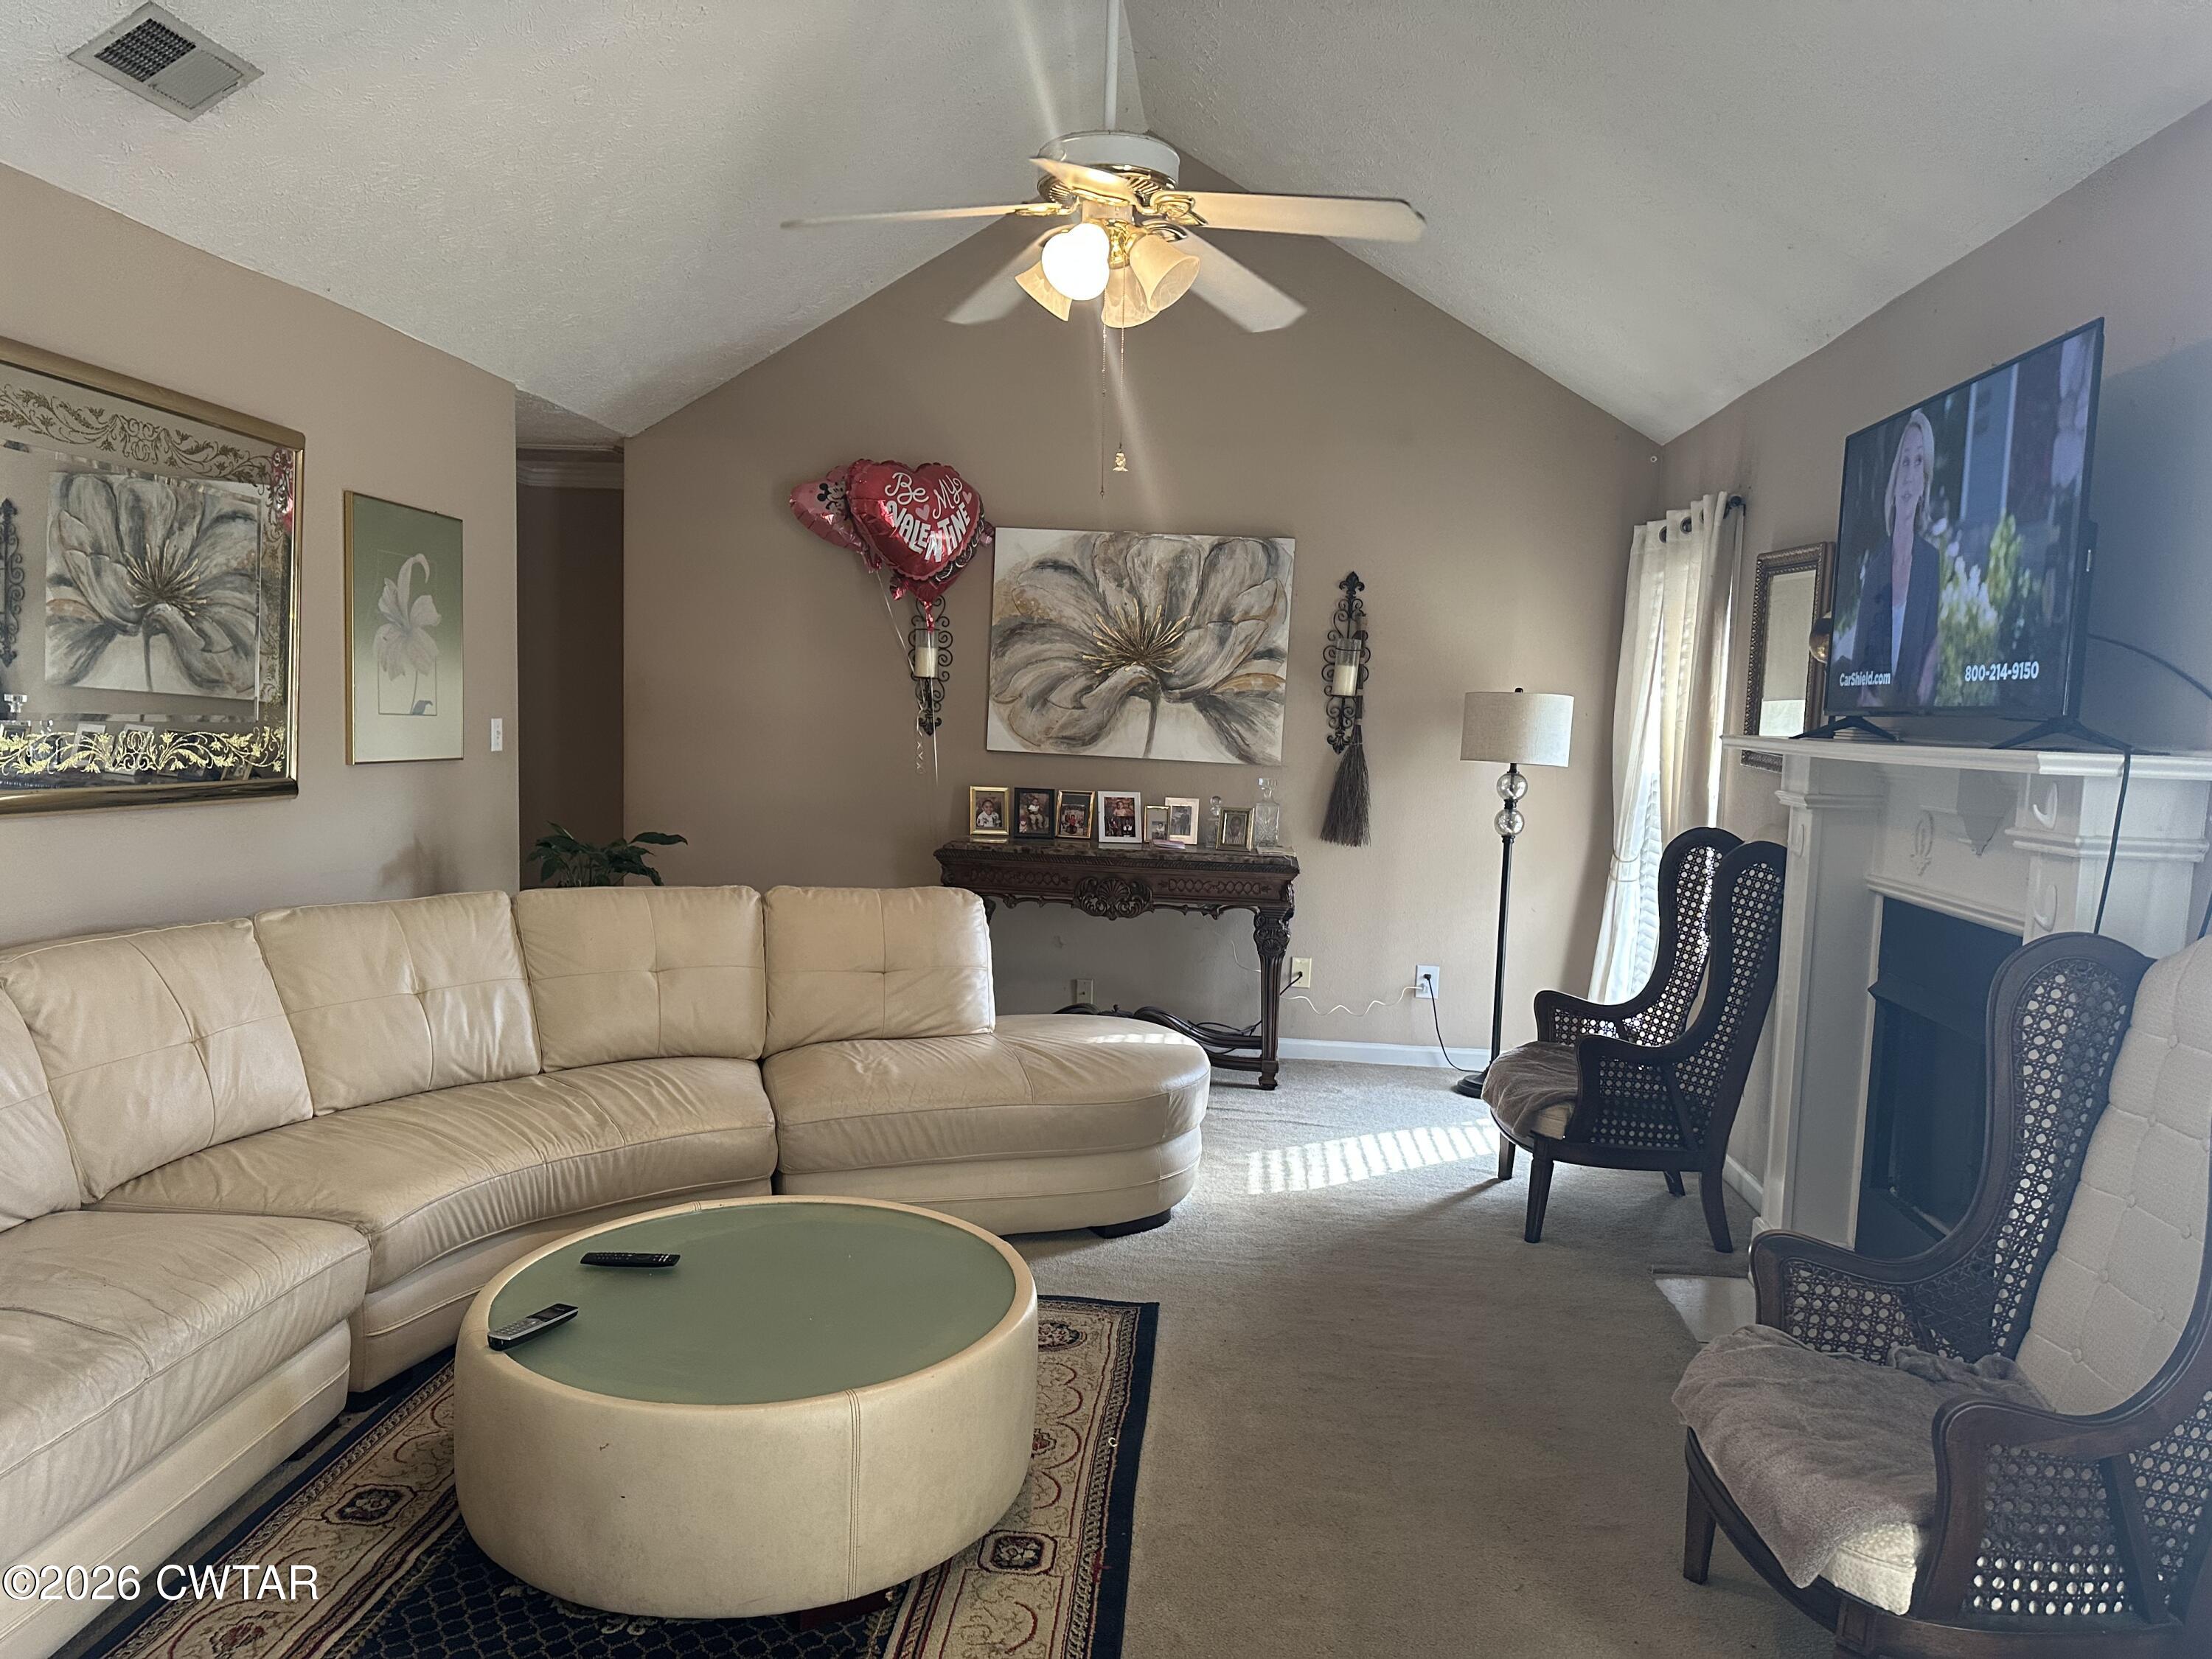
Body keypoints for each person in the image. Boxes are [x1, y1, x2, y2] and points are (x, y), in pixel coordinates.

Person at [1840, 408, 1943, 708]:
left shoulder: (1930, 562)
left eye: (1919, 462)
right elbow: (1860, 671)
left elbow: (1933, 640)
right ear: (1895, 479)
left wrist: (1927, 677)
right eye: (1906, 462)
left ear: (1925, 483)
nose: (1910, 476)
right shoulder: (1875, 571)